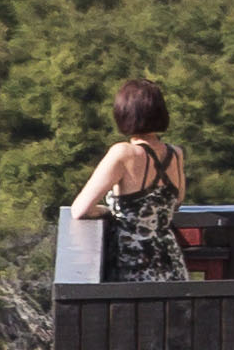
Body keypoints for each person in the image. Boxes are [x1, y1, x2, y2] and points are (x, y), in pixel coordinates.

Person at [68, 75, 191, 278]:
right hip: (171, 263)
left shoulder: (123, 153)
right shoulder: (175, 154)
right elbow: (177, 200)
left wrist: (108, 212)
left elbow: (80, 209)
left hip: (134, 264)